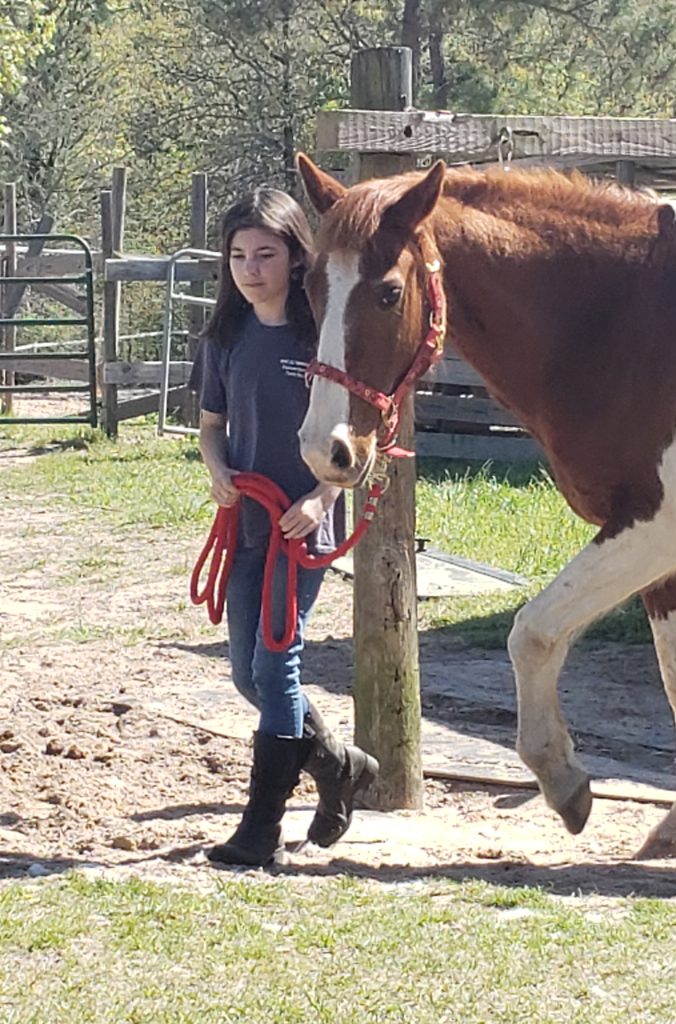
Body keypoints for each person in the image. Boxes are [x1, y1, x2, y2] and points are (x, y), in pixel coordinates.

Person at [194, 186, 379, 868]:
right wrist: (216, 468)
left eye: (265, 254)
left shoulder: (322, 338)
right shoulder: (225, 338)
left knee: (277, 664)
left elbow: (355, 436)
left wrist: (323, 500)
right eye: (238, 255)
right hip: (247, 521)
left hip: (302, 526)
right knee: (249, 675)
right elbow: (212, 427)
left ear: (297, 258)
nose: (250, 268)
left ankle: (260, 827)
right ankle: (336, 764)